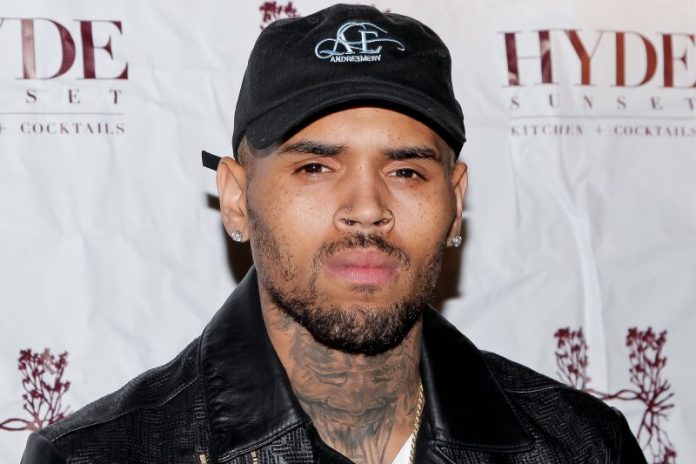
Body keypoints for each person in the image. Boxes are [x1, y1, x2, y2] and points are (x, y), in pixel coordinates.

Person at [21, 4, 646, 464]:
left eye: (406, 171)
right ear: (237, 199)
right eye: (315, 168)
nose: (367, 209)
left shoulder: (584, 446)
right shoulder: (96, 456)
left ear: (456, 203)